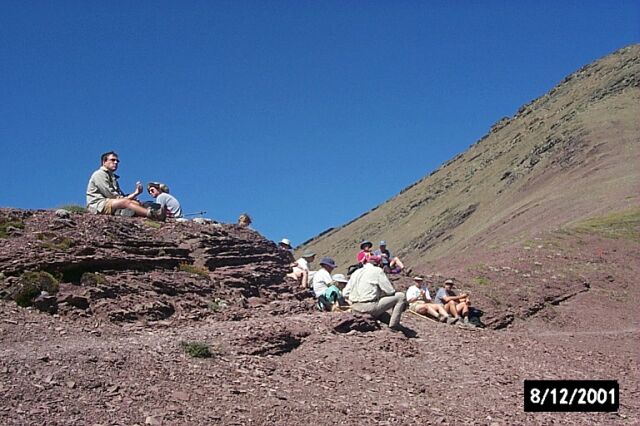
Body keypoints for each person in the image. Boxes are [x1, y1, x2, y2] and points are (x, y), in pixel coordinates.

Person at [86, 151, 165, 220]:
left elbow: (119, 195)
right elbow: (112, 195)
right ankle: (152, 214)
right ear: (104, 162)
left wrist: (135, 195)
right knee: (126, 202)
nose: (116, 162)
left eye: (117, 161)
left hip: (109, 203)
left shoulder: (112, 177)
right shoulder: (99, 174)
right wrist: (133, 195)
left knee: (135, 203)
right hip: (98, 205)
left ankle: (121, 212)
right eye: (112, 160)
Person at [343, 255, 406, 331]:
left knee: (383, 314)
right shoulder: (377, 271)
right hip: (369, 307)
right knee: (400, 296)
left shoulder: (356, 272)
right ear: (379, 264)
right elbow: (390, 291)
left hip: (354, 307)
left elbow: (345, 293)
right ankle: (394, 326)